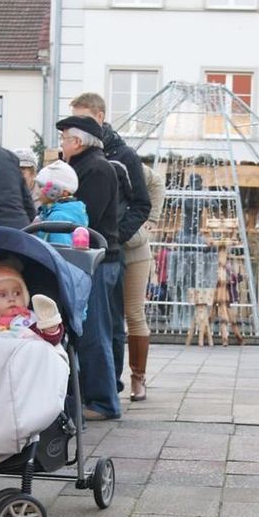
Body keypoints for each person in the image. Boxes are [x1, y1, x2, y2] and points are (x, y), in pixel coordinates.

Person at [69, 93, 152, 398]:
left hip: (124, 246)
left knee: (126, 315)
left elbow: (142, 203)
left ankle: (132, 379)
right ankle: (104, 384)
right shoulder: (76, 155)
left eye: (85, 119)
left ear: (100, 117)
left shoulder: (122, 154)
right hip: (91, 247)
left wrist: (117, 233)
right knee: (99, 319)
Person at [57, 114, 120, 420]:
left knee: (94, 331)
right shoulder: (89, 166)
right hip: (93, 259)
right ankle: (95, 398)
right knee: (91, 330)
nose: (62, 144)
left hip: (94, 260)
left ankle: (103, 402)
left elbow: (84, 220)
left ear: (78, 141)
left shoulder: (93, 169)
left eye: (64, 139)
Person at [122, 162, 165, 401]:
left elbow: (157, 182)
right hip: (104, 245)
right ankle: (108, 378)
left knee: (134, 313)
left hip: (134, 247)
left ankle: (138, 378)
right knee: (107, 317)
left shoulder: (124, 157)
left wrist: (151, 221)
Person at [0, 260, 63, 345]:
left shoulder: (31, 321)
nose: (11, 299)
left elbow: (50, 342)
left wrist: (50, 328)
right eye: (2, 295)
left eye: (17, 293)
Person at [33, 160, 88, 246]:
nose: (38, 192)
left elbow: (62, 252)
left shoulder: (59, 218)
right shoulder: (48, 213)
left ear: (63, 192)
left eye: (42, 187)